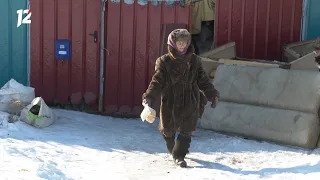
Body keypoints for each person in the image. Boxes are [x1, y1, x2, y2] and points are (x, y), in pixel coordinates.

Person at [142, 29, 219, 167]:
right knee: (168, 131)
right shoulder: (164, 61)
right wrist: (148, 97)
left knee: (186, 130)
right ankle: (173, 150)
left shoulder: (195, 60)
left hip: (190, 100)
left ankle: (179, 156)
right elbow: (157, 81)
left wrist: (212, 94)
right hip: (170, 101)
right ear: (173, 43)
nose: (182, 45)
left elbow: (203, 80)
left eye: (185, 42)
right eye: (179, 42)